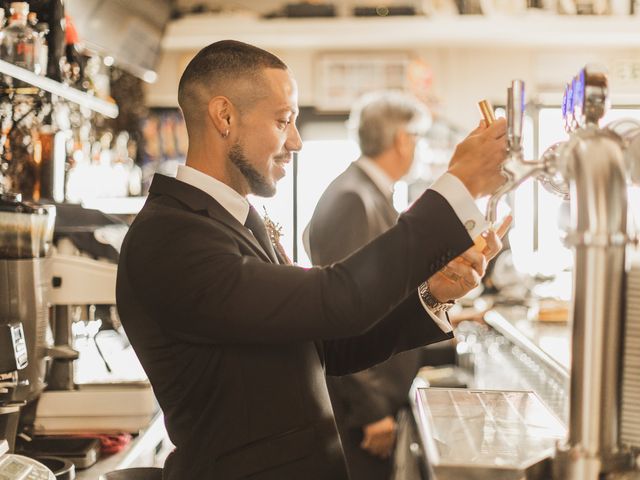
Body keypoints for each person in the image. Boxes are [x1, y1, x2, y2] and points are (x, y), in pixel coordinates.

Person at [116, 39, 507, 480]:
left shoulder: (234, 221)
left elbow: (325, 344)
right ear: (224, 116)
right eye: (284, 121)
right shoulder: (171, 237)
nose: (296, 142)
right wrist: (457, 189)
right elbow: (338, 299)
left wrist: (431, 293)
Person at [306, 90, 440, 480]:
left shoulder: (368, 192)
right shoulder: (353, 197)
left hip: (381, 394)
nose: (416, 147)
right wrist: (372, 411)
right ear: (402, 139)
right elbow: (343, 314)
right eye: (416, 138)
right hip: (363, 410)